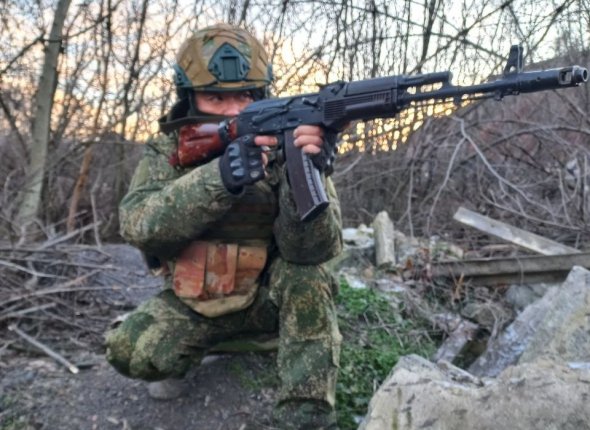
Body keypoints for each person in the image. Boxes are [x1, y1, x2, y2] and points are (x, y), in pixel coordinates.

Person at [105, 23, 343, 430]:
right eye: (216, 98)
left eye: (245, 96)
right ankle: (202, 347)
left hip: (268, 300)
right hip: (195, 305)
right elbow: (138, 226)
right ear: (190, 97)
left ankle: (305, 414)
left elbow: (313, 252)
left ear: (262, 96)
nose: (235, 111)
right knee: (129, 351)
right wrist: (219, 179)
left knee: (309, 276)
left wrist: (309, 170)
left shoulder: (292, 144)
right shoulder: (169, 149)